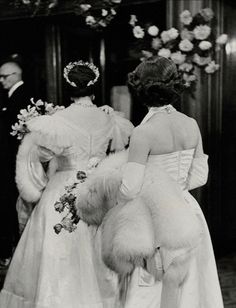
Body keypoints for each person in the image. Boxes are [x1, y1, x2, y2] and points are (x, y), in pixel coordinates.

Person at [77, 56, 224, 308]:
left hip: (152, 217)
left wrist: (106, 186)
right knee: (189, 286)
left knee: (151, 289)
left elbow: (130, 188)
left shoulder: (144, 132)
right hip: (187, 211)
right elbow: (200, 176)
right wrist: (175, 190)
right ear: (174, 86)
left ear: (141, 90)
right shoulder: (191, 124)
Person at [0, 60, 133, 307]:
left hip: (63, 187)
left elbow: (39, 157)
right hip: (99, 188)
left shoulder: (57, 120)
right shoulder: (109, 118)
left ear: (68, 89)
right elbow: (115, 151)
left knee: (59, 250)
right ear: (94, 88)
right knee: (97, 246)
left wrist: (37, 183)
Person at [0, 57, 32, 267]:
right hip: (10, 158)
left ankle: (11, 248)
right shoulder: (12, 97)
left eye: (4, 76)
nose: (1, 80)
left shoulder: (21, 96)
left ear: (16, 74)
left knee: (10, 201)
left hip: (13, 159)